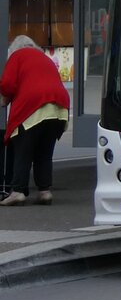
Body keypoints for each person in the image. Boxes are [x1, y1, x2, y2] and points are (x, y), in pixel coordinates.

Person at [0, 35, 69, 206]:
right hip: (59, 109)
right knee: (44, 152)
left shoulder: (17, 56)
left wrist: (4, 99)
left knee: (23, 149)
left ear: (14, 49)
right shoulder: (44, 58)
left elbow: (8, 85)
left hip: (34, 107)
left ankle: (17, 192)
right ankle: (44, 191)